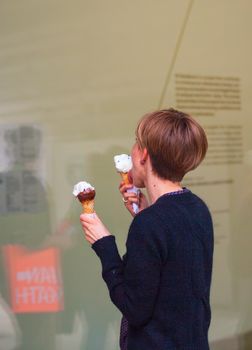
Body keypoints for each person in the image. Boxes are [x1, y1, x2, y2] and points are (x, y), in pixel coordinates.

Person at [80, 108, 214, 350]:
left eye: (136, 142)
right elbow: (175, 276)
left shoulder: (150, 223)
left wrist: (104, 244)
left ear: (143, 154)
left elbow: (134, 308)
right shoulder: (198, 208)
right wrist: (144, 212)